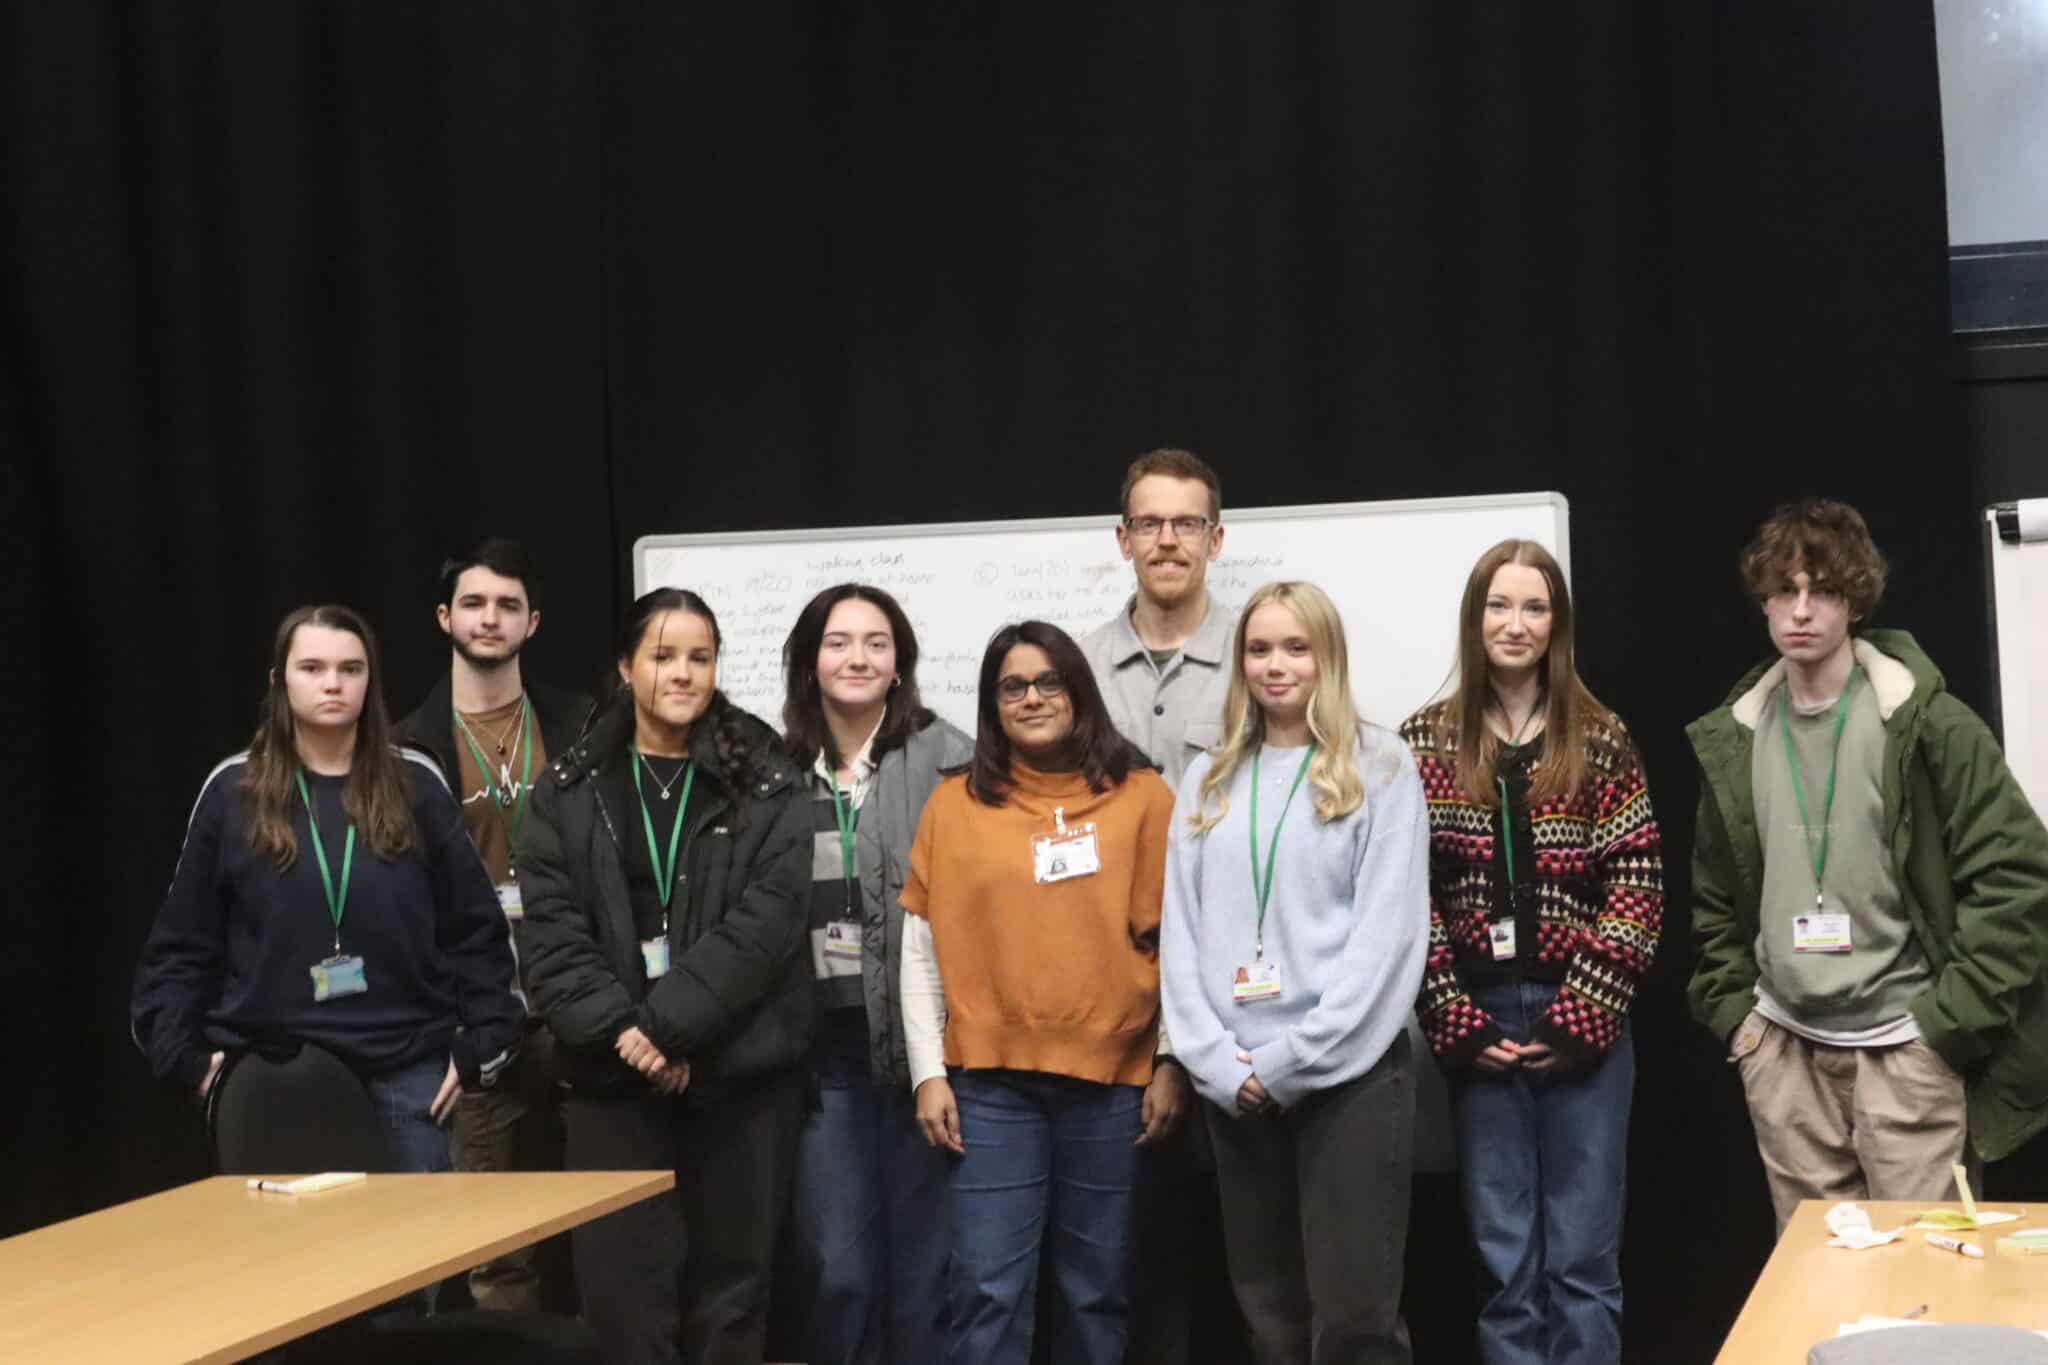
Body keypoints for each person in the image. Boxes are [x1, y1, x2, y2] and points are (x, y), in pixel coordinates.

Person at [1687, 499, 2048, 1233]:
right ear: (1762, 600)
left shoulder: (1925, 721)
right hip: (1786, 1051)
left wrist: (1947, 1028)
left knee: (1925, 1291)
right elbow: (1712, 898)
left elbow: (2016, 874)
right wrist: (1743, 1028)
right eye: (1783, 591)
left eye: (1822, 590)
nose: (1801, 609)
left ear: (1855, 600)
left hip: (1906, 1052)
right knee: (1821, 1294)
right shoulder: (1740, 733)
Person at [517, 588, 813, 1365]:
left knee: (732, 1298)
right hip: (613, 1079)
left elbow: (765, 928)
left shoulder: (772, 784)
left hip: (736, 1075)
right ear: (625, 666)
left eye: (700, 657)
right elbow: (552, 935)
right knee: (621, 1304)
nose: (682, 673)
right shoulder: (566, 791)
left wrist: (667, 1028)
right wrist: (630, 1034)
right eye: (662, 655)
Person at [132, 604, 524, 1175]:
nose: (333, 684)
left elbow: (477, 931)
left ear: (371, 680)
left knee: (416, 1260)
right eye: (312, 668)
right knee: (291, 1266)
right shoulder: (232, 792)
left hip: (408, 1079)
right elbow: (180, 947)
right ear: (278, 681)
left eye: (351, 668)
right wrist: (188, 1063)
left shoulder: (416, 784)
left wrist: (480, 1047)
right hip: (273, 1083)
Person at [1399, 541, 1663, 1365]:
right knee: (1503, 1260)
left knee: (1583, 1260)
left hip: (1580, 1018)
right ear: (1475, 619)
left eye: (1535, 607)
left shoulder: (1600, 736)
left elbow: (1639, 882)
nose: (1516, 625)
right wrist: (1456, 1021)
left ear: (1558, 623)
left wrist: (1585, 1012)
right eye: (1499, 606)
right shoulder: (1427, 740)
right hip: (1481, 1024)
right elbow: (1413, 898)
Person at [1160, 581, 1430, 1365]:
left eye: (1295, 647)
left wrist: (1289, 1061)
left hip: (1345, 1079)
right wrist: (1214, 1060)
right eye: (1258, 648)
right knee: (1270, 1317)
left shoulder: (1379, 766)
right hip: (1233, 1084)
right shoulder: (1205, 777)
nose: (1275, 666)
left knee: (1354, 1322)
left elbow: (1386, 942)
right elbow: (1182, 933)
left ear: (1327, 657)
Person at [900, 620, 1178, 1365]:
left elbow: (1182, 940)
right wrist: (928, 1070)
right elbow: (920, 948)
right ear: (993, 705)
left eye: (1049, 681)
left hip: (1114, 1083)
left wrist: (1171, 1061)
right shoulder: (954, 805)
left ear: (1080, 691)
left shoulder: (1146, 798)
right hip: (990, 1089)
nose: (1032, 698)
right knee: (987, 1291)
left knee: (1097, 1293)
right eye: (1012, 686)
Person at [395, 536, 592, 1313]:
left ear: (533, 621)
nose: (489, 618)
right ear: (445, 616)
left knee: (612, 1234)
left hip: (580, 1004)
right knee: (496, 1256)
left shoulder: (582, 724)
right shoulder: (406, 747)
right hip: (477, 1019)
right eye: (473, 603)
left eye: (508, 604)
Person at [780, 583, 974, 1365]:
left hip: (928, 1052)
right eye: (838, 641)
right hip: (822, 1055)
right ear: (809, 660)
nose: (857, 657)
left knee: (930, 1271)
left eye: (876, 642)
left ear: (900, 664)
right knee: (839, 1270)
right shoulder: (774, 764)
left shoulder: (950, 755)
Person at [1077, 447, 1220, 1365]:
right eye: (1151, 523)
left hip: (1239, 992)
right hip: (1113, 999)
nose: (1168, 540)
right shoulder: (1073, 668)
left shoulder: (1263, 657)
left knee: (1241, 1263)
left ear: (1216, 537)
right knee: (1121, 1259)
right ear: (1122, 538)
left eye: (1187, 523)